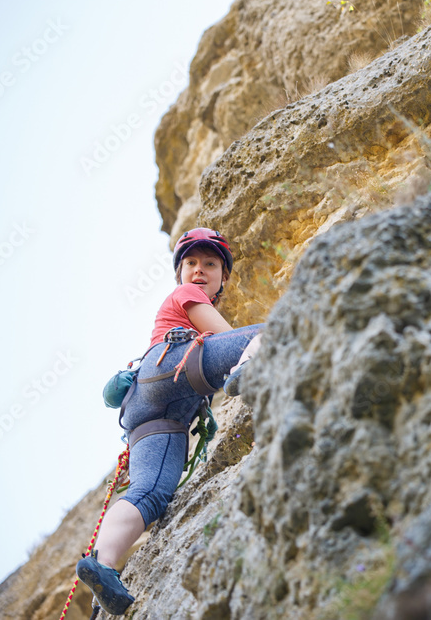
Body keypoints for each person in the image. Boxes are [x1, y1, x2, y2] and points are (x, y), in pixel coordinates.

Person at [76, 227, 263, 615]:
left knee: (150, 493)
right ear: (180, 274)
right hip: (172, 369)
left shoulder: (184, 292)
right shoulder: (187, 294)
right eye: (191, 263)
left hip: (150, 412)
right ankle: (250, 371)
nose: (199, 270)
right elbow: (228, 336)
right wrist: (243, 354)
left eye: (210, 264)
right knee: (268, 333)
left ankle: (104, 565)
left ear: (223, 276)